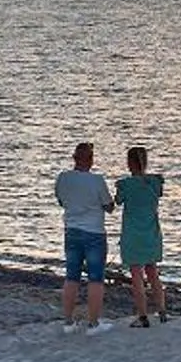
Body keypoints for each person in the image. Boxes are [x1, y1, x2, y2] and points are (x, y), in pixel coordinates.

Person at [54, 141, 112, 330]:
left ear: (74, 158)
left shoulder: (63, 178)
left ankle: (68, 321)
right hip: (94, 232)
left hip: (72, 230)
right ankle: (93, 323)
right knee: (95, 278)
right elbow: (109, 206)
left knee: (71, 277)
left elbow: (61, 201)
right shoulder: (97, 181)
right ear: (91, 160)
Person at [114, 144, 167, 326]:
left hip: (132, 234)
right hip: (151, 233)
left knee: (136, 274)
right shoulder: (155, 182)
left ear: (130, 163)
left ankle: (143, 315)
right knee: (153, 272)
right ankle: (161, 311)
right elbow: (158, 194)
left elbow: (118, 201)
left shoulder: (126, 185)